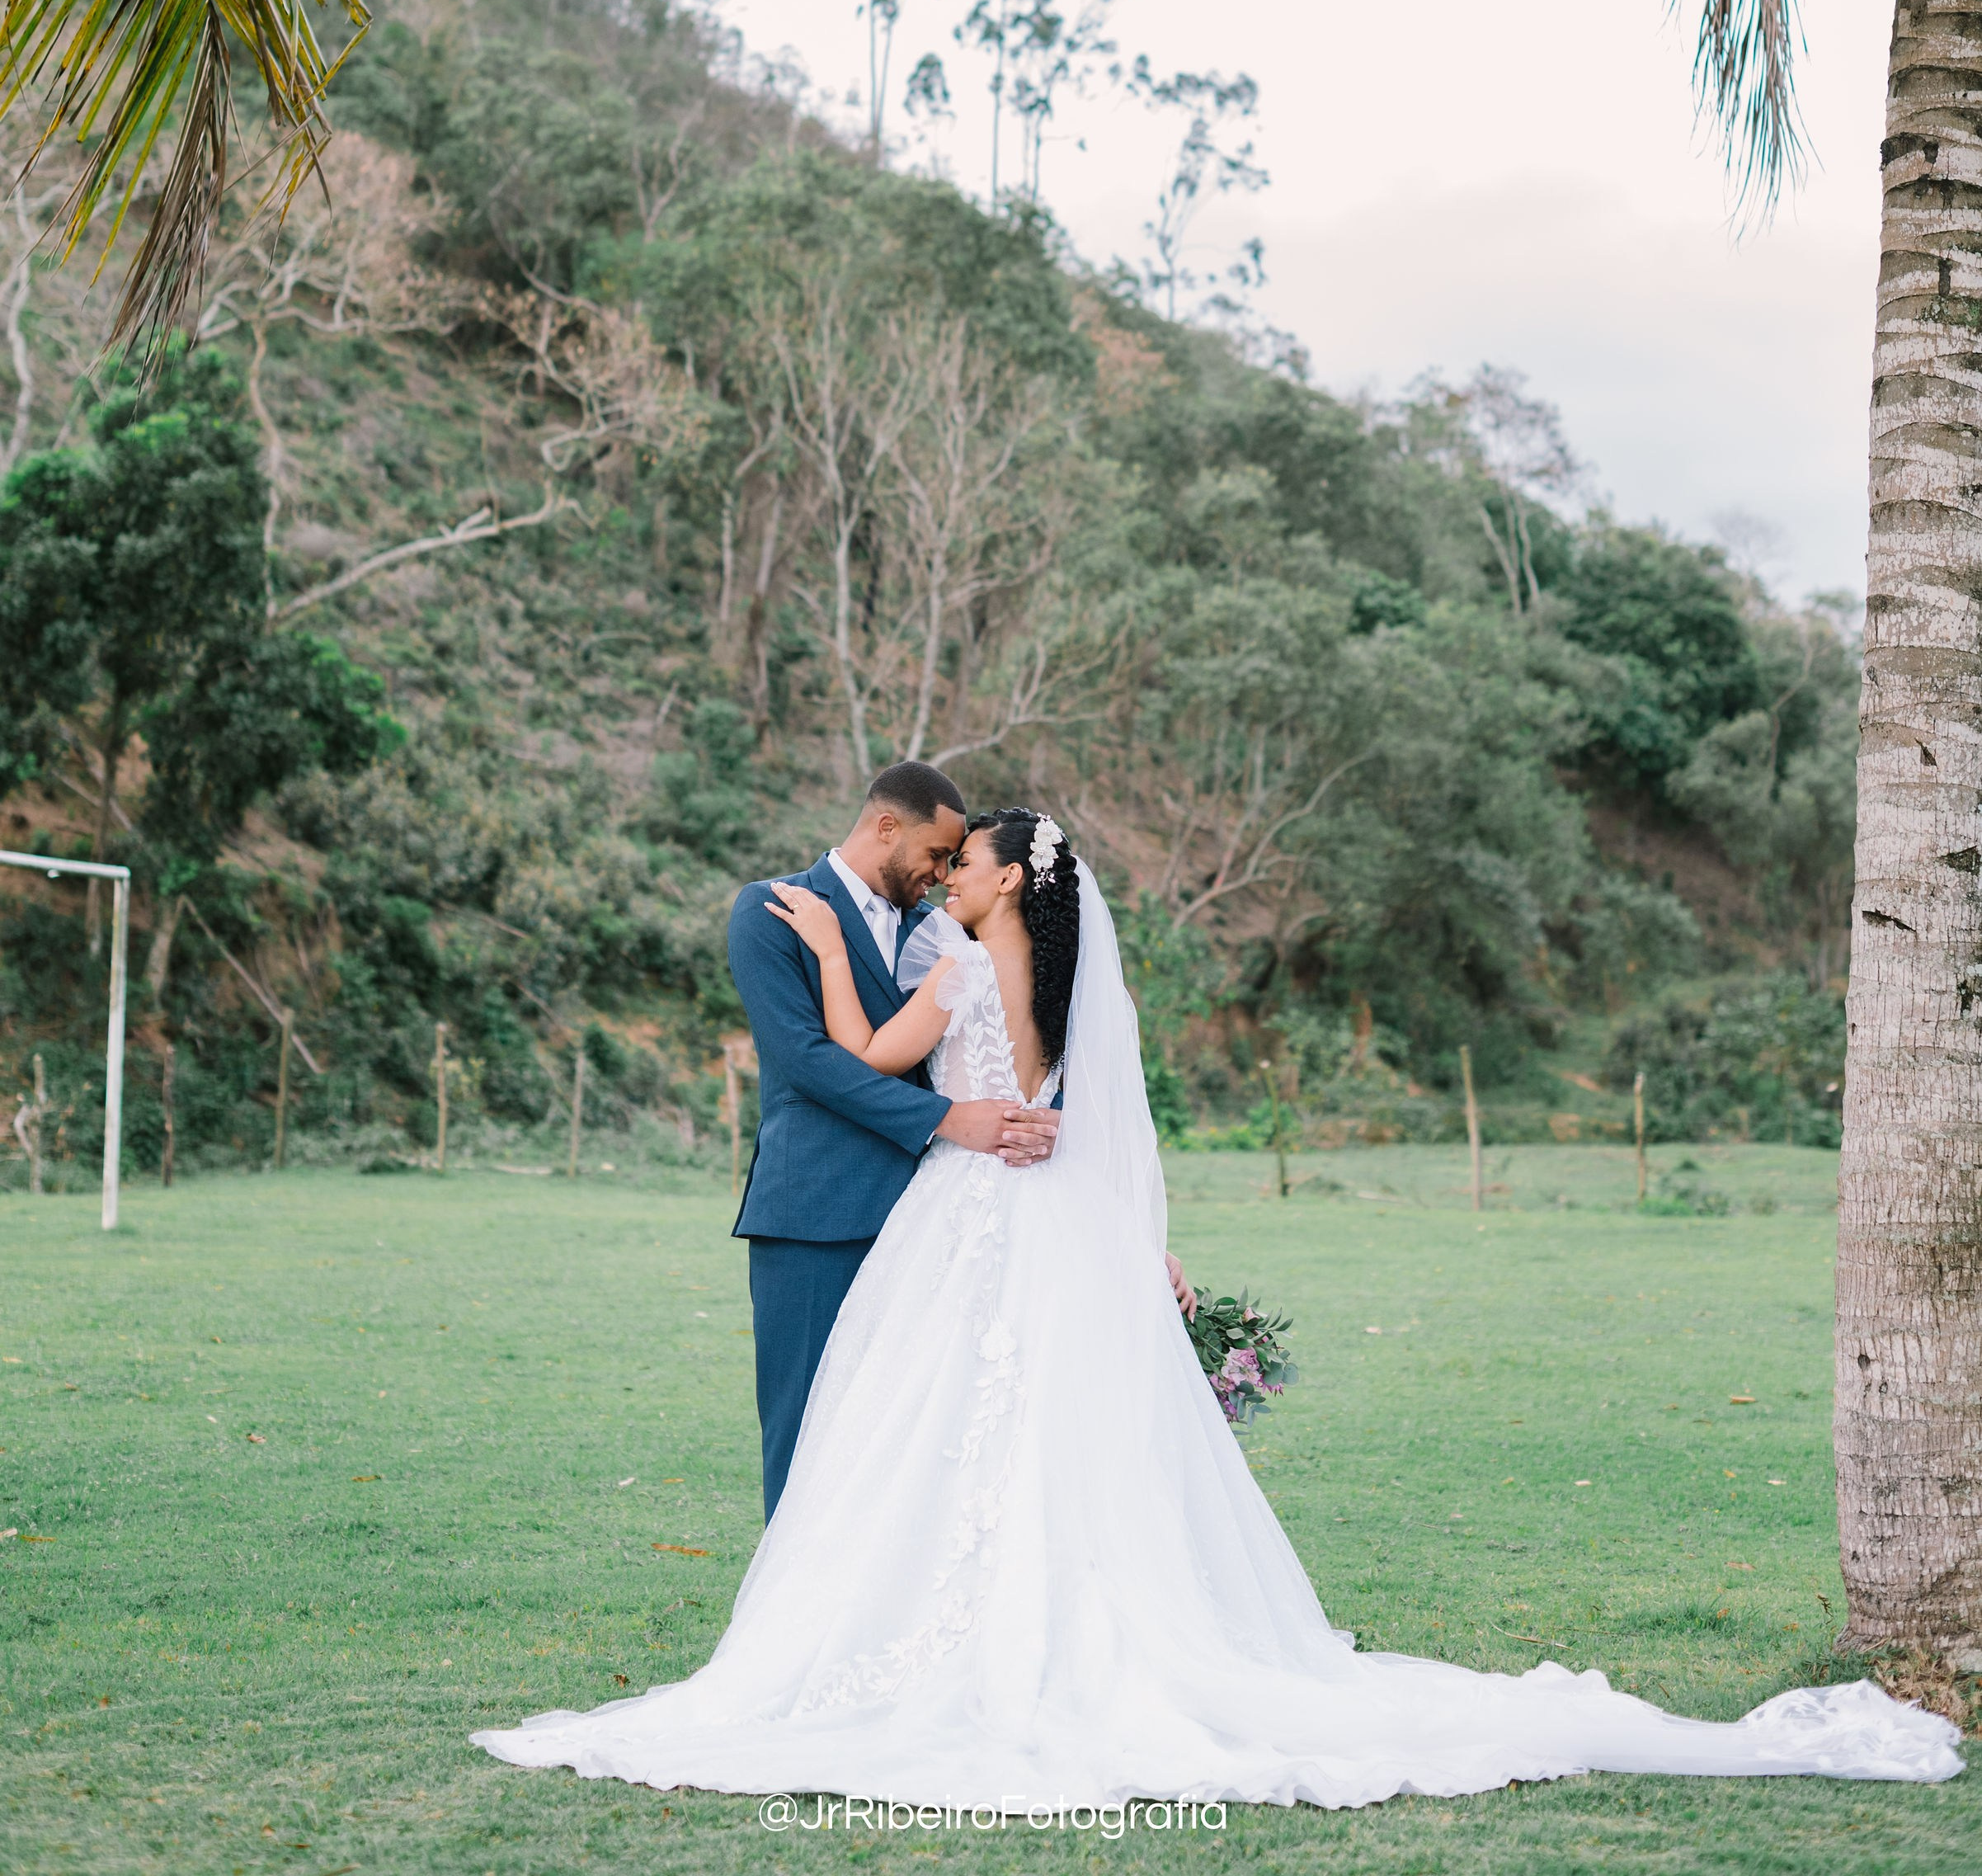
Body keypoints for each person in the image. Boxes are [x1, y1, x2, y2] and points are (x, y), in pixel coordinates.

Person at [475, 807, 1962, 1810]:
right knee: (1056, 1430)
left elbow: (861, 1048)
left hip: (966, 1219)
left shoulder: (958, 981)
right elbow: (1110, 1131)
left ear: (1006, 882)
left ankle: (928, 1639)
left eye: (971, 862)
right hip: (1051, 1223)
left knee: (928, 1425)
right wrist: (1148, 1245)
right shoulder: (1057, 989)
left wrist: (812, 955)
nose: (951, 876)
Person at [718, 760, 1059, 1517]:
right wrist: (944, 1120)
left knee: (912, 1439)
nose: (940, 875)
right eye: (936, 856)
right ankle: (793, 1619)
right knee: (806, 1425)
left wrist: (1046, 1121)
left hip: (935, 1223)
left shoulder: (941, 933)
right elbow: (804, 1062)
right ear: (885, 827)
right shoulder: (772, 909)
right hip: (815, 1212)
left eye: (954, 862)